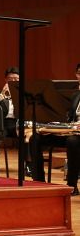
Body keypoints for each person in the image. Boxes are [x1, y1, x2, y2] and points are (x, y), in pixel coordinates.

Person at [30, 63, 80, 196]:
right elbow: (69, 118)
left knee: (72, 141)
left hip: (76, 138)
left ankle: (72, 185)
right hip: (72, 131)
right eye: (79, 73)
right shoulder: (76, 95)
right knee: (35, 138)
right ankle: (39, 182)